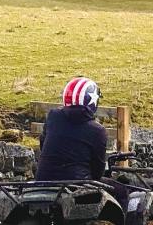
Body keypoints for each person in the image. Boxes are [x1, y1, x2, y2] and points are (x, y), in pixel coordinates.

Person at [35, 76, 130, 209]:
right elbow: (97, 171)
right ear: (92, 102)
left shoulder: (53, 116)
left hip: (42, 180)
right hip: (78, 184)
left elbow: (42, 144)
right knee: (121, 191)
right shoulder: (97, 130)